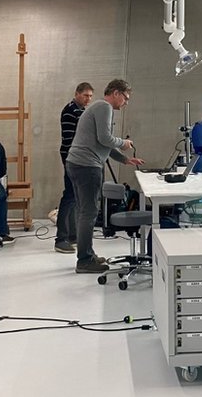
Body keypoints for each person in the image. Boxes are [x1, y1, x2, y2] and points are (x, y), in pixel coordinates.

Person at [65, 79, 144, 273]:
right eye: (125, 98)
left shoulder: (99, 108)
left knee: (84, 211)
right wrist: (123, 143)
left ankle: (87, 254)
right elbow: (105, 138)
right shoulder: (104, 107)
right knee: (89, 213)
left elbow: (102, 143)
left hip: (77, 163)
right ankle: (84, 261)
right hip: (87, 166)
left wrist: (125, 160)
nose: (126, 103)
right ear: (116, 93)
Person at [54, 82, 94, 253]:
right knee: (70, 196)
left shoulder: (81, 110)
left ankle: (72, 234)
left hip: (76, 157)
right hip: (71, 157)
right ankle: (61, 238)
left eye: (90, 96)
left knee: (75, 197)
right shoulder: (71, 110)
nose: (88, 99)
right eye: (85, 95)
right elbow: (72, 138)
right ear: (77, 93)